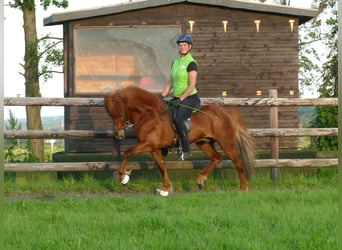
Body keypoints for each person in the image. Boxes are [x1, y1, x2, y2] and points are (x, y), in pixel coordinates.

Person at [160, 34, 201, 161]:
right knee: (163, 115)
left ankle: (187, 150)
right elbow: (171, 81)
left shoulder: (191, 63)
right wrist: (162, 95)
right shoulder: (175, 62)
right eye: (180, 45)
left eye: (185, 45)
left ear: (190, 46)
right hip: (177, 98)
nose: (182, 47)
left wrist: (181, 99)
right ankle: (165, 146)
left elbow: (192, 85)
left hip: (190, 98)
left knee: (178, 120)